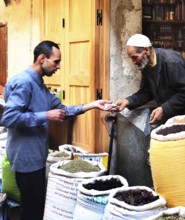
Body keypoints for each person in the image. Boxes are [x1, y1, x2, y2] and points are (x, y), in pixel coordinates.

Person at [0, 40, 113, 220]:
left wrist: (93, 104)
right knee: (31, 212)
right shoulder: (24, 82)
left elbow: (64, 111)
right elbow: (8, 118)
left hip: (37, 158)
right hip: (25, 159)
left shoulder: (41, 87)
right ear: (42, 58)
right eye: (56, 62)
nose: (58, 67)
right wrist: (46, 115)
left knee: (35, 207)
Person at [114, 34, 185, 124]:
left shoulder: (171, 61)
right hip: (176, 111)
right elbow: (146, 92)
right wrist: (128, 101)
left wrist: (164, 109)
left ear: (146, 50)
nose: (133, 62)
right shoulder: (146, 65)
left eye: (135, 57)